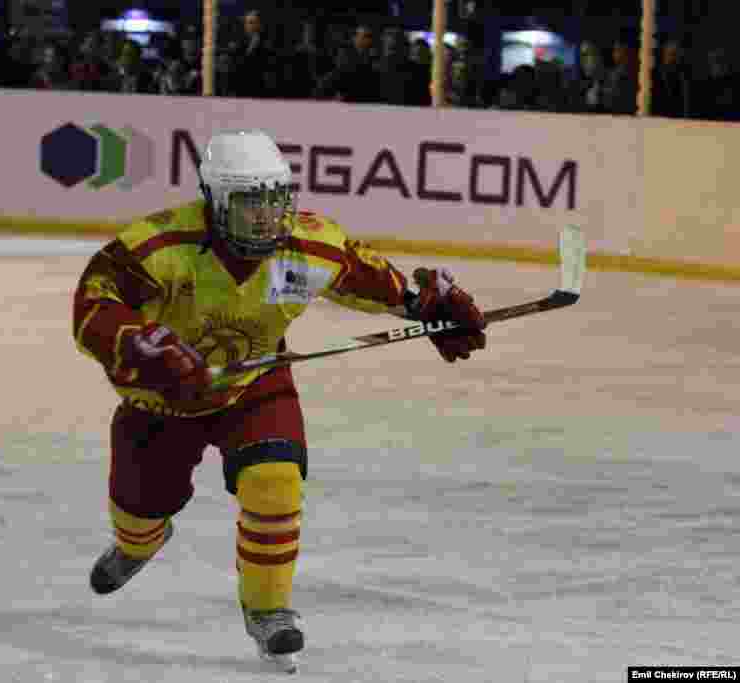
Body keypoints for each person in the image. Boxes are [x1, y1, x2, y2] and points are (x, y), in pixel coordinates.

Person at [72, 129, 487, 671]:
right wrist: (143, 346)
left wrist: (431, 306)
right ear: (215, 202)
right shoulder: (155, 246)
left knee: (275, 483)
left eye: (276, 198)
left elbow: (385, 287)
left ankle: (269, 609)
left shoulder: (311, 243)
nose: (268, 215)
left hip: (256, 381)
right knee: (138, 509)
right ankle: (138, 542)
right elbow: (90, 309)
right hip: (161, 401)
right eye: (250, 203)